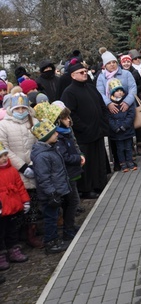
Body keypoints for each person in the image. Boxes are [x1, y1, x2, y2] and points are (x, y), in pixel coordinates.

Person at [61, 60, 109, 200]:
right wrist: (83, 127)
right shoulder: (69, 92)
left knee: (99, 159)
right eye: (81, 73)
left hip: (97, 130)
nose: (84, 74)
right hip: (84, 134)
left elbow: (100, 105)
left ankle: (100, 183)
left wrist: (103, 121)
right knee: (87, 163)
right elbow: (71, 114)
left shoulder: (90, 87)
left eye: (85, 72)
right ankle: (87, 189)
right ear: (73, 75)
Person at [0, 92, 43, 248]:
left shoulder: (34, 122)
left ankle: (31, 232)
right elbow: (5, 149)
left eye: (23, 108)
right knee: (18, 205)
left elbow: (40, 142)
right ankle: (16, 237)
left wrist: (33, 162)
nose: (20, 111)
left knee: (33, 203)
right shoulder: (3, 125)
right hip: (15, 171)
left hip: (34, 167)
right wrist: (22, 166)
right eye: (17, 109)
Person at [29, 119, 70, 254]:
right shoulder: (42, 156)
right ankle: (50, 242)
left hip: (56, 191)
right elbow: (44, 177)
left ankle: (54, 239)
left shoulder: (51, 149)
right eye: (53, 133)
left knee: (54, 216)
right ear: (46, 137)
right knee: (50, 218)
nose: (57, 135)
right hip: (49, 194)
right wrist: (52, 193)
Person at [47, 101, 83, 242]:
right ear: (58, 121)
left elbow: (74, 147)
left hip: (72, 172)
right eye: (65, 118)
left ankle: (70, 226)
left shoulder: (66, 133)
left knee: (72, 201)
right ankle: (68, 229)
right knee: (72, 201)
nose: (69, 120)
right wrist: (77, 158)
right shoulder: (59, 138)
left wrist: (80, 156)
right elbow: (65, 156)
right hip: (67, 174)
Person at [0, 143, 30, 268]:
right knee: (0, 233)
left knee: (12, 230)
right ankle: (1, 255)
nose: (4, 158)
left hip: (13, 206)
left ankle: (13, 250)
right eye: (1, 156)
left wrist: (25, 201)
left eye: (5, 155)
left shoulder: (12, 170)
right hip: (2, 209)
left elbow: (20, 187)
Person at [106, 79, 137, 172]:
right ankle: (122, 163)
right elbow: (108, 118)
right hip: (116, 132)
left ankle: (130, 161)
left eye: (121, 91)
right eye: (117, 91)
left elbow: (131, 115)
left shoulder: (127, 102)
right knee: (120, 148)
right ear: (112, 93)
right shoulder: (109, 104)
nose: (120, 93)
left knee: (128, 147)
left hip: (127, 130)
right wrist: (115, 127)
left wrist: (125, 125)